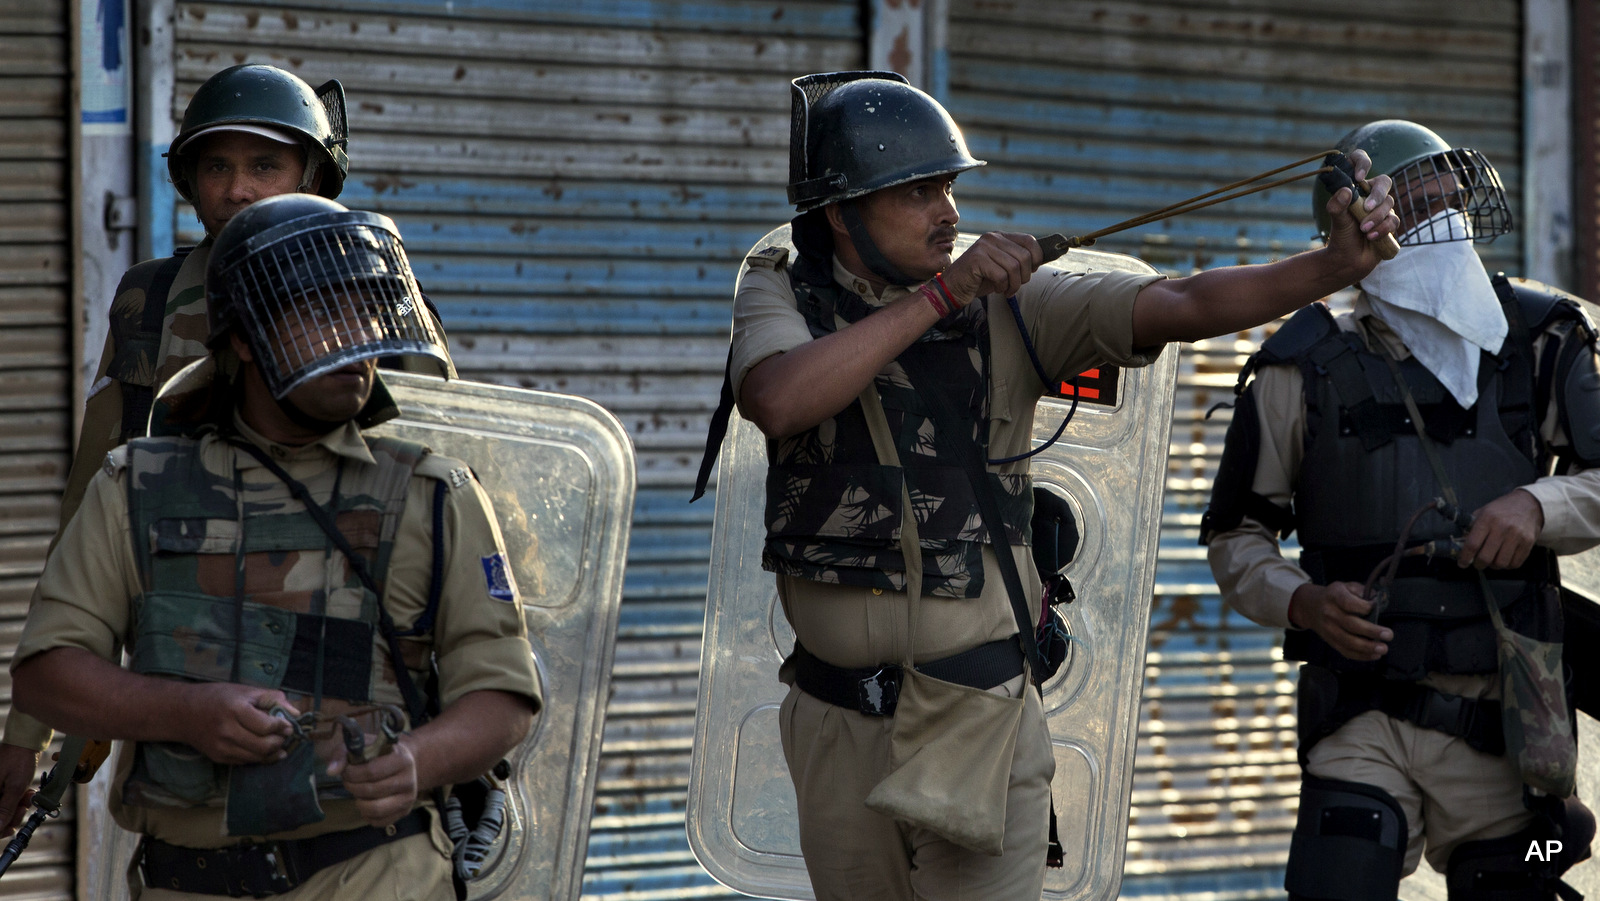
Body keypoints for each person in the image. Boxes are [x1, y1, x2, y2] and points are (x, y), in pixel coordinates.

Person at [695, 70, 1398, 900]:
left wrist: (1333, 266)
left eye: (949, 188)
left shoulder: (1014, 305)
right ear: (840, 212)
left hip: (977, 724)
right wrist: (943, 295)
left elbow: (1179, 300)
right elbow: (777, 397)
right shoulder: (780, 289)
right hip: (835, 725)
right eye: (920, 192)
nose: (949, 213)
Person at [8, 194, 538, 899]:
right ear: (246, 337)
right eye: (322, 314)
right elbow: (48, 672)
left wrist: (418, 759)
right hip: (189, 879)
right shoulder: (134, 487)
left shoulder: (434, 494)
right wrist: (186, 712)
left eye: (365, 314)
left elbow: (504, 693)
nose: (355, 341)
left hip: (379, 875)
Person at [0, 63, 455, 834]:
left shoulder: (371, 287)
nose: (239, 189)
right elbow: (92, 507)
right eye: (218, 166)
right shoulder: (153, 298)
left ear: (314, 172)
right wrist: (28, 736)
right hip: (187, 664)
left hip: (345, 663)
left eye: (264, 165)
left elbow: (443, 494)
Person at [1201, 119, 1599, 899]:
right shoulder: (1302, 365)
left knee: (1519, 881)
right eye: (1420, 206)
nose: (1447, 223)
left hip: (1507, 731)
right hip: (1362, 721)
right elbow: (1234, 535)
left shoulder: (1541, 342)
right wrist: (1304, 602)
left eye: (1454, 202)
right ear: (1355, 229)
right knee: (1337, 879)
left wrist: (1536, 504)